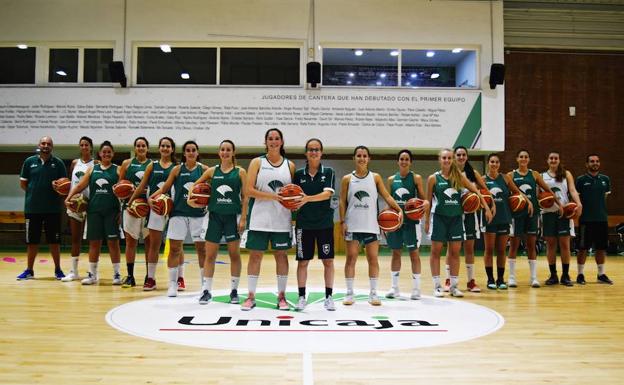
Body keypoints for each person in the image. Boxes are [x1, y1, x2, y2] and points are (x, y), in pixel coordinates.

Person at [424, 149, 492, 297]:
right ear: (439, 160)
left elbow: (476, 191)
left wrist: (486, 207)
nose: (447, 160)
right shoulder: (433, 178)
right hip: (439, 218)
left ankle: (454, 287)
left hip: (456, 219)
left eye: (449, 158)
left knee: (455, 253)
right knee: (436, 252)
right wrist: (426, 221)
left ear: (452, 160)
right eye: (444, 158)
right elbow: (428, 201)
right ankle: (437, 286)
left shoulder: (459, 177)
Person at [241, 128, 295, 311]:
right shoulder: (257, 162)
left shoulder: (290, 165)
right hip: (259, 217)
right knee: (255, 256)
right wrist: (274, 197)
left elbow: (293, 194)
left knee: (281, 256)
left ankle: (282, 297)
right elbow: (248, 190)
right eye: (270, 139)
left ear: (281, 142)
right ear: (265, 142)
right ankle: (250, 296)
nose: (273, 141)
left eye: (277, 138)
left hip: (282, 220)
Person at [340, 145, 402, 306]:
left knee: (373, 259)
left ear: (369, 158)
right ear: (354, 158)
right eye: (359, 155)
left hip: (371, 225)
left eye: (364, 155)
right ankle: (349, 293)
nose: (361, 158)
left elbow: (386, 195)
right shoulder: (347, 178)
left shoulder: (375, 177)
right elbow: (341, 201)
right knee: (351, 258)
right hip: (353, 224)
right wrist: (342, 221)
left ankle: (373, 293)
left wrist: (398, 208)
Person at [190, 140, 247, 305]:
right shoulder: (212, 171)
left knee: (234, 254)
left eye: (228, 149)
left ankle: (234, 291)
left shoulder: (240, 172)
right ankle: (206, 290)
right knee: (210, 255)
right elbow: (194, 186)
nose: (225, 152)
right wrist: (194, 201)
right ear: (219, 152)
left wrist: (243, 218)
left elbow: (245, 197)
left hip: (232, 217)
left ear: (233, 152)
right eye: (222, 149)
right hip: (214, 217)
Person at [150, 140, 208, 297]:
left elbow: (213, 190)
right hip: (178, 213)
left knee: (202, 250)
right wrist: (151, 198)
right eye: (187, 150)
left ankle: (205, 286)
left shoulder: (204, 170)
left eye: (193, 150)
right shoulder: (177, 169)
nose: (190, 152)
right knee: (175, 249)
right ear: (184, 153)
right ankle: (172, 285)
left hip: (198, 214)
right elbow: (164, 188)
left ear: (197, 153)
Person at [65, 141, 122, 285]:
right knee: (94, 243)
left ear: (113, 154)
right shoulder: (92, 169)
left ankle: (116, 274)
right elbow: (79, 185)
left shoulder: (118, 170)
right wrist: (68, 197)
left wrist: (122, 211)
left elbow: (124, 192)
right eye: (104, 152)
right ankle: (92, 275)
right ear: (100, 154)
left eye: (109, 152)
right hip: (94, 211)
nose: (107, 154)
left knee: (113, 243)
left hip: (112, 211)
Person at [292, 138, 336, 311]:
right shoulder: (298, 175)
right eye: (310, 149)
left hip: (324, 224)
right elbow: (293, 197)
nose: (314, 152)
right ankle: (302, 297)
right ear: (306, 153)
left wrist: (307, 199)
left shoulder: (329, 172)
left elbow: (327, 194)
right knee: (303, 262)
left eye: (317, 149)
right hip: (304, 225)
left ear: (321, 152)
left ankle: (329, 297)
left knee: (328, 261)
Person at [443, 146, 494, 293]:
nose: (461, 157)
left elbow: (484, 192)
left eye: (463, 155)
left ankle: (471, 281)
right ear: (454, 157)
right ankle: (449, 280)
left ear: (467, 157)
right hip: (455, 214)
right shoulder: (449, 173)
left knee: (469, 249)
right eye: (458, 155)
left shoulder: (473, 173)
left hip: (471, 215)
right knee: (452, 250)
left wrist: (491, 206)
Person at [128, 137, 176, 291]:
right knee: (154, 245)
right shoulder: (152, 165)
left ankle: (178, 278)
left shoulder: (177, 167)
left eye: (168, 146)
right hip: (155, 209)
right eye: (162, 146)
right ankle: (151, 279)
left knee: (176, 246)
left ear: (172, 149)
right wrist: (130, 202)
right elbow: (142, 185)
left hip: (173, 209)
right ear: (159, 148)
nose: (165, 148)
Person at [507, 149, 560, 288]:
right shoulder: (511, 175)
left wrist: (559, 204)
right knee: (514, 245)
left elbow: (548, 190)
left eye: (526, 157)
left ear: (529, 159)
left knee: (531, 245)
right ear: (517, 159)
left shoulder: (534, 174)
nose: (523, 159)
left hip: (532, 214)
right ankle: (511, 277)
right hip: (517, 214)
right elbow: (510, 194)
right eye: (521, 157)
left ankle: (534, 277)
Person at [17, 136, 68, 280]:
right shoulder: (29, 162)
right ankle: (29, 270)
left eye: (49, 144)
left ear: (52, 147)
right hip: (32, 209)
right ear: (39, 145)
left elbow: (64, 187)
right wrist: (35, 192)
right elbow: (23, 184)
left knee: (54, 241)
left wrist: (56, 188)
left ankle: (58, 270)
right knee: (32, 241)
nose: (46, 145)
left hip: (52, 209)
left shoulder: (58, 164)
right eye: (43, 143)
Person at [384, 149, 429, 300]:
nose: (404, 161)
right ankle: (394, 287)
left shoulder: (416, 178)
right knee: (395, 253)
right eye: (401, 159)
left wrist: (426, 204)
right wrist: (384, 222)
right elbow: (389, 202)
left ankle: (416, 289)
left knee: (414, 254)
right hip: (396, 223)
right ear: (398, 161)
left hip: (412, 223)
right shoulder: (391, 180)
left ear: (410, 162)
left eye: (406, 159)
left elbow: (424, 200)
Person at [482, 153, 527, 290]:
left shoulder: (506, 178)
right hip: (490, 219)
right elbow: (479, 197)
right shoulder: (483, 179)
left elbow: (517, 192)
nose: (494, 164)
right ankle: (490, 279)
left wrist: (528, 201)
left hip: (505, 218)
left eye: (496, 162)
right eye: (492, 162)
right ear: (488, 163)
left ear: (499, 164)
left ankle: (500, 279)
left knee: (501, 250)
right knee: (489, 249)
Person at [541, 151, 582, 286]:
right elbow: (539, 197)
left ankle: (565, 275)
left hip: (564, 214)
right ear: (547, 160)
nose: (553, 160)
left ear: (559, 160)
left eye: (556, 158)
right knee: (551, 245)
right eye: (551, 158)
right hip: (548, 214)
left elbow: (572, 190)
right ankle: (553, 275)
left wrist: (579, 203)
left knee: (565, 245)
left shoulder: (566, 174)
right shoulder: (542, 176)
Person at [61, 136, 95, 282]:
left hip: (90, 203)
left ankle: (92, 272)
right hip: (75, 203)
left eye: (87, 145)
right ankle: (73, 271)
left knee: (92, 239)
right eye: (82, 145)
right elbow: (73, 183)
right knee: (75, 238)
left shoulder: (96, 163)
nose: (84, 147)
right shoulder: (75, 163)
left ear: (91, 147)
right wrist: (68, 198)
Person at [118, 137, 151, 288]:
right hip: (130, 207)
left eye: (143, 145)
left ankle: (148, 276)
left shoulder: (152, 165)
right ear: (135, 148)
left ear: (147, 148)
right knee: (131, 242)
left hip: (148, 207)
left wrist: (143, 191)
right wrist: (127, 192)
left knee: (149, 243)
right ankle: (130, 276)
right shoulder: (127, 164)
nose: (141, 148)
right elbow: (119, 186)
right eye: (138, 146)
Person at [575, 154, 613, 285]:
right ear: (587, 164)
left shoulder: (605, 179)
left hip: (601, 219)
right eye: (592, 161)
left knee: (601, 248)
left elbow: (605, 198)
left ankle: (601, 274)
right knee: (583, 248)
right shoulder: (580, 180)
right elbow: (576, 199)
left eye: (597, 161)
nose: (595, 163)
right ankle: (580, 274)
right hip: (586, 219)